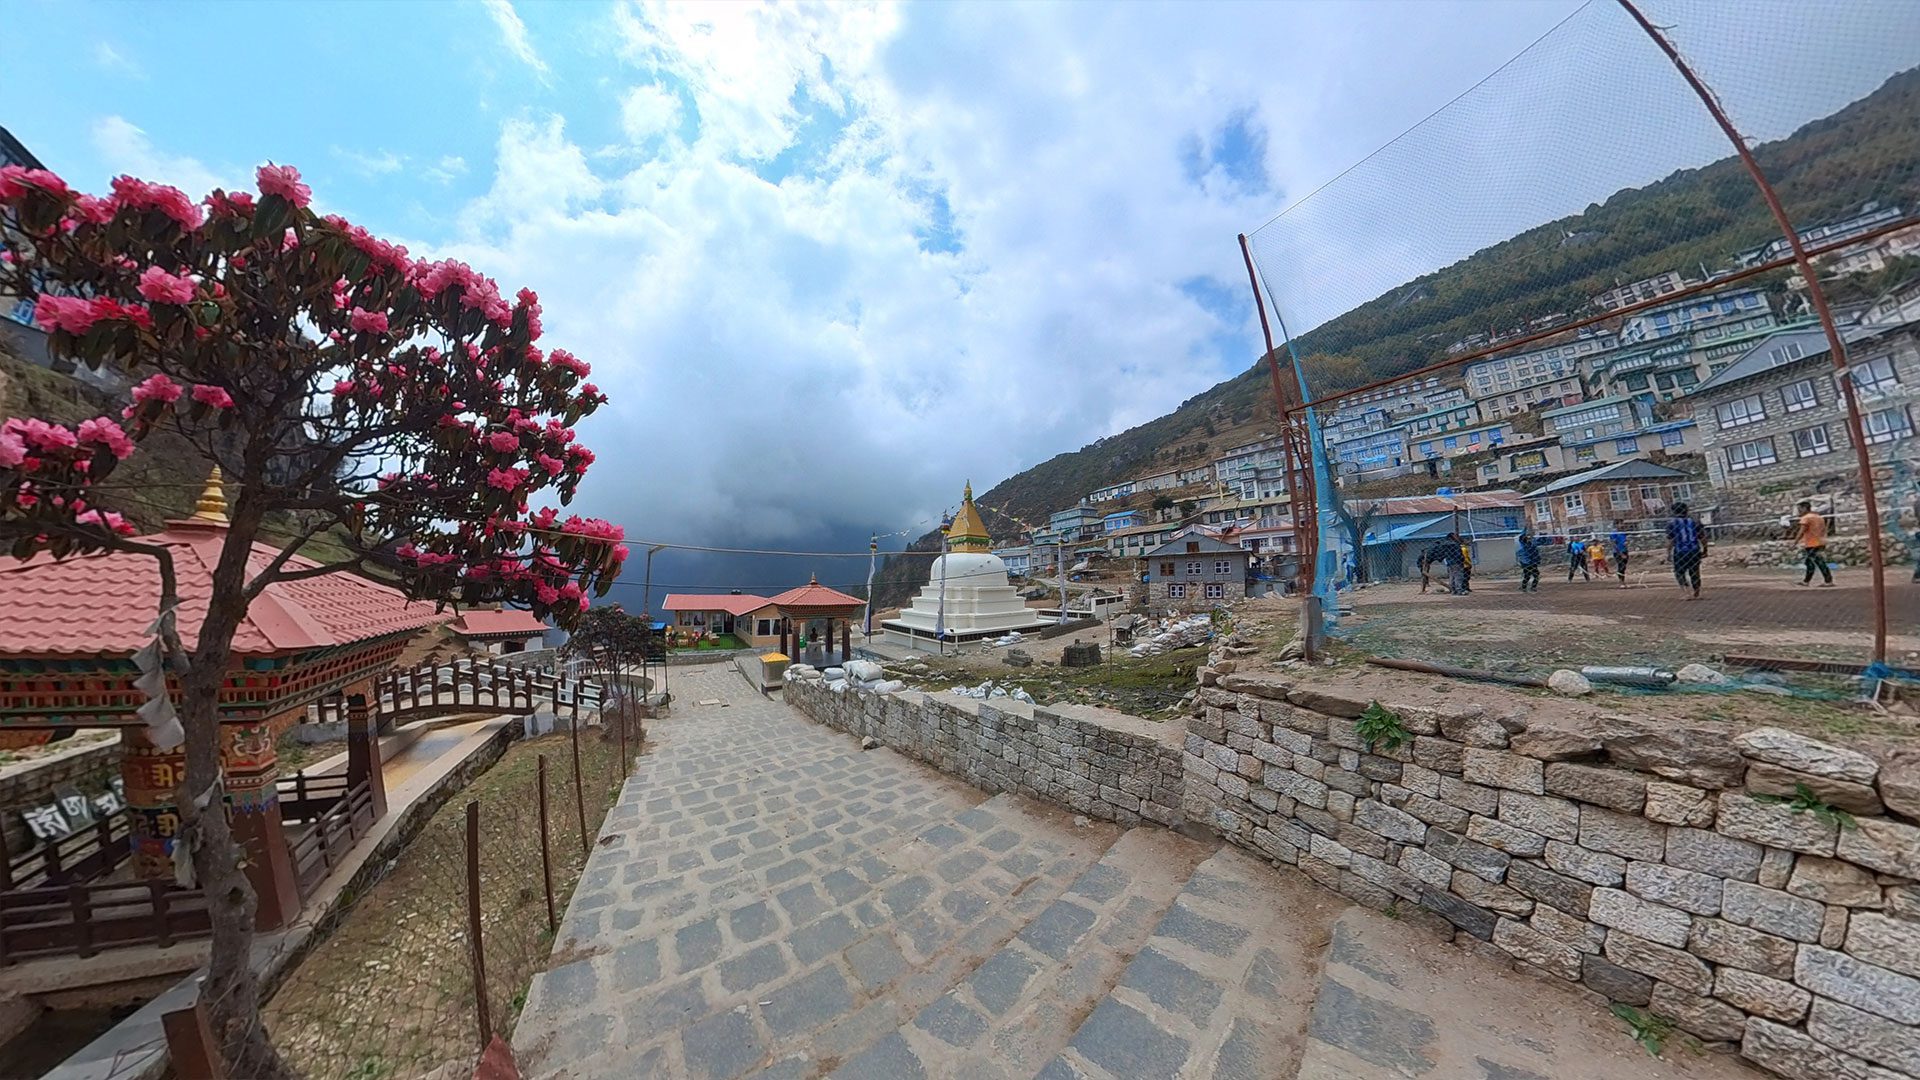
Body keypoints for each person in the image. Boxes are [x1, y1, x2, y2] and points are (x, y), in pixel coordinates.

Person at [1667, 502, 1706, 600]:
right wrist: (1705, 549)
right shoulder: (1695, 522)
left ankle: (1686, 592)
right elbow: (1702, 537)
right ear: (1687, 510)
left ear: (1674, 511)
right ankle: (1697, 592)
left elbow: (1671, 540)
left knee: (1679, 572)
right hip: (1694, 550)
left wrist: (1668, 552)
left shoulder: (1672, 523)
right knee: (1694, 571)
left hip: (1680, 551)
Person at [1793, 500, 1834, 586]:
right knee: (1811, 562)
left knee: (1817, 562)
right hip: (1820, 542)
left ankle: (1828, 580)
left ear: (1805, 508)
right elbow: (1824, 530)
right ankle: (1807, 581)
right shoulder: (1819, 517)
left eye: (1800, 509)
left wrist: (1795, 542)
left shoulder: (1806, 518)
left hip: (1812, 544)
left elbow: (1801, 531)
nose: (1799, 511)